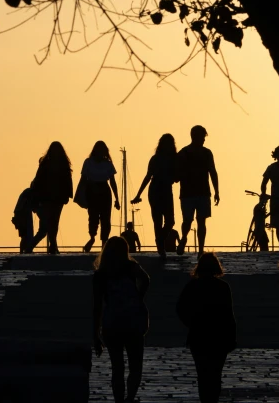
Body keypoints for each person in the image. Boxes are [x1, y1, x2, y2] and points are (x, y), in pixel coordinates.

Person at [93, 236, 150, 403]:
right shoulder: (131, 267)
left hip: (112, 323)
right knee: (135, 365)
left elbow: (96, 306)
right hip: (133, 321)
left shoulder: (101, 274)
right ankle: (130, 397)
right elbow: (146, 279)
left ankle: (118, 399)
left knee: (117, 367)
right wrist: (139, 296)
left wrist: (95, 334)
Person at [176, 252, 236, 403]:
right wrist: (232, 336)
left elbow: (180, 308)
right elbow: (229, 314)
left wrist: (191, 323)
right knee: (216, 375)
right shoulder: (223, 287)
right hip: (219, 337)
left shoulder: (192, 286)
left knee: (202, 375)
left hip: (198, 336)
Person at [131, 133, 178, 257]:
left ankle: (160, 239)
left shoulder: (174, 159)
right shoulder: (156, 159)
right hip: (156, 188)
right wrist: (138, 194)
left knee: (170, 221)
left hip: (166, 189)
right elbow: (148, 176)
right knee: (157, 220)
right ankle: (161, 248)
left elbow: (177, 176)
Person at [176, 125, 219, 256]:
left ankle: (199, 249)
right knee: (190, 220)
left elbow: (212, 172)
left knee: (198, 221)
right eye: (202, 137)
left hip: (198, 192)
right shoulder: (187, 153)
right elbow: (212, 172)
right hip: (192, 192)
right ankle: (185, 239)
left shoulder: (202, 153)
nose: (204, 140)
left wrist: (217, 190)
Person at [27, 141, 73, 254]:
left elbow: (67, 180)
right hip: (51, 198)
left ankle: (52, 244)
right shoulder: (61, 164)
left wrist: (68, 194)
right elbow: (68, 180)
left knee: (51, 222)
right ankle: (53, 244)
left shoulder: (47, 164)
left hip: (53, 198)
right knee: (52, 222)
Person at [80, 141, 120, 253]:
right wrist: (81, 195)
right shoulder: (88, 162)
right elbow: (83, 180)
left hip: (104, 191)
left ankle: (104, 242)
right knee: (93, 217)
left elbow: (112, 182)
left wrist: (117, 199)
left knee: (105, 218)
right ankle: (92, 237)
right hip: (92, 191)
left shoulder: (107, 163)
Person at [12, 185, 48, 253]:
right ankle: (25, 251)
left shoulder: (27, 192)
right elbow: (35, 207)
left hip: (21, 214)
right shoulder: (30, 193)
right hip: (23, 215)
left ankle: (23, 251)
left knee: (25, 235)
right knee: (26, 235)